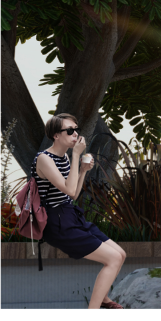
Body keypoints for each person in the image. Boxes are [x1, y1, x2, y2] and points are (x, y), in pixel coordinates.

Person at [32, 113, 126, 308]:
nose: (75, 134)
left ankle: (104, 299)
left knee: (120, 254)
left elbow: (73, 195)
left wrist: (82, 170)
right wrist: (76, 156)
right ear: (56, 135)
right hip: (56, 222)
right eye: (69, 130)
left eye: (76, 130)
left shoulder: (65, 158)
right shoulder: (45, 159)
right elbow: (68, 189)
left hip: (70, 214)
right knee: (113, 258)